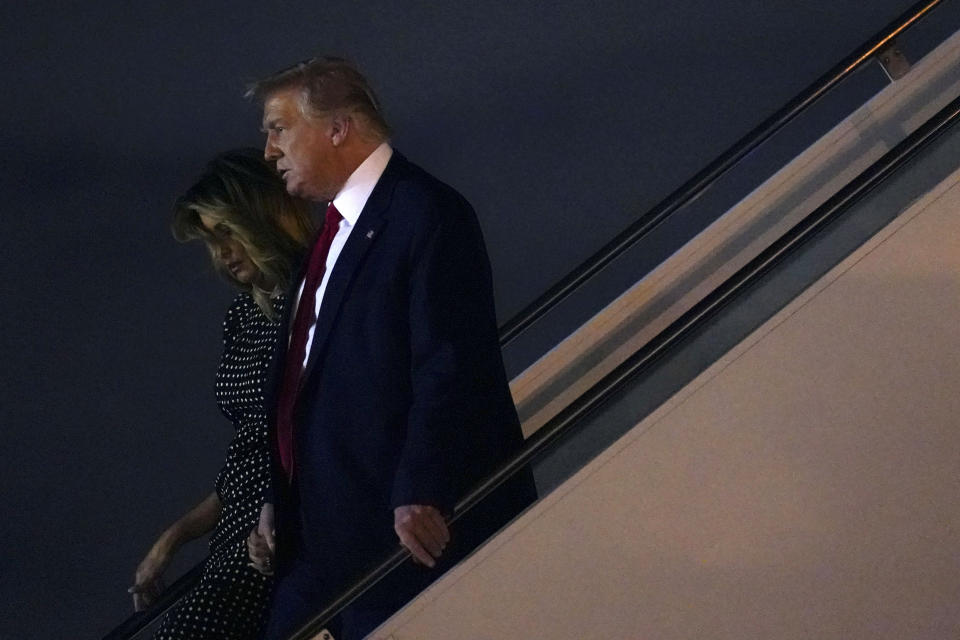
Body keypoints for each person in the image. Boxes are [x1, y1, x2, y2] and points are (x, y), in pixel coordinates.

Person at [244, 56, 536, 640]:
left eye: (278, 128)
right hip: (318, 535)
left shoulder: (426, 213)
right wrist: (281, 493)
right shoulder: (329, 237)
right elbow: (308, 383)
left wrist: (421, 488)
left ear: (337, 127)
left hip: (394, 534)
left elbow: (449, 365)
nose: (269, 151)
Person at [129, 148, 314, 639]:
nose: (223, 254)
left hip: (286, 521)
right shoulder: (243, 316)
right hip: (238, 531)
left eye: (227, 232)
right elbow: (245, 458)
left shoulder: (315, 295)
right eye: (212, 241)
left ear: (259, 215)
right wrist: (175, 537)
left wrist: (280, 508)